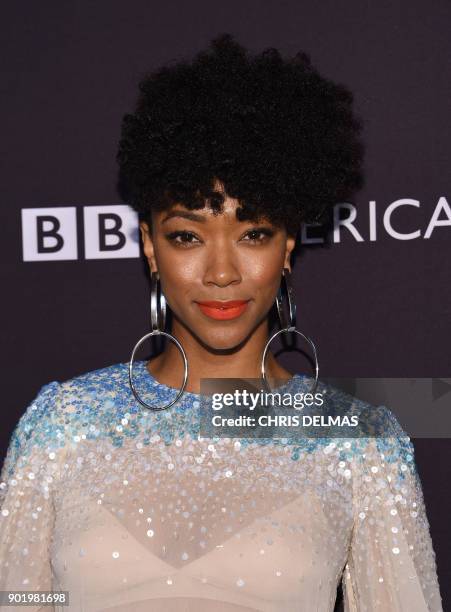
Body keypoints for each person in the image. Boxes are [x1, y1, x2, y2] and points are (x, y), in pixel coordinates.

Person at [0, 34, 442, 612]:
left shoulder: (356, 442)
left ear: (287, 246)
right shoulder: (62, 425)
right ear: (150, 248)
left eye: (253, 233)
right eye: (187, 236)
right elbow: (23, 599)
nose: (221, 273)